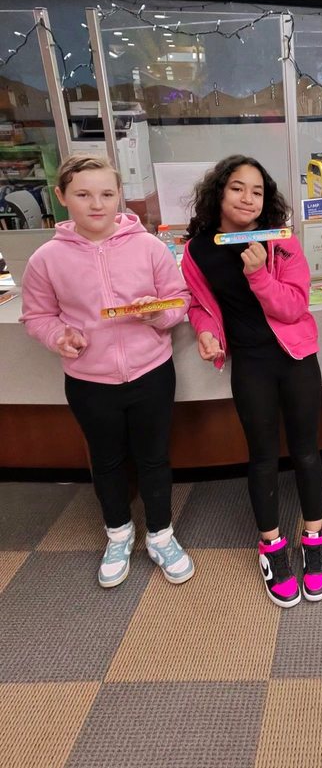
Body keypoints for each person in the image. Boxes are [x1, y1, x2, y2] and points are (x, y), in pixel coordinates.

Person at [21, 153, 194, 588]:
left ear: (120, 196)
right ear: (62, 197)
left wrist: (156, 315)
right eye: (83, 194)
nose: (96, 204)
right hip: (89, 381)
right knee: (107, 461)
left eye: (107, 193)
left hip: (151, 372)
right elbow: (36, 315)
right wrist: (59, 336)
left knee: (155, 458)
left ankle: (161, 534)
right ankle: (118, 534)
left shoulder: (149, 247)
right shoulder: (46, 258)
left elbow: (178, 300)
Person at [182, 155, 322, 608]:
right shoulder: (197, 250)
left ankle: (314, 540)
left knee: (306, 452)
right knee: (262, 457)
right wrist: (205, 330)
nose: (248, 198)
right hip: (250, 363)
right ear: (219, 194)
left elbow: (293, 307)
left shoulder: (280, 241)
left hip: (296, 356)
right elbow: (199, 301)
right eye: (237, 188)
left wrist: (259, 273)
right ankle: (271, 546)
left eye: (257, 191)